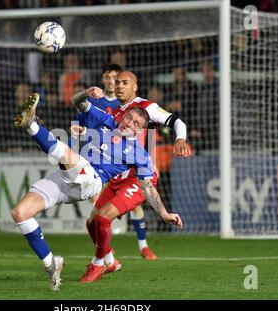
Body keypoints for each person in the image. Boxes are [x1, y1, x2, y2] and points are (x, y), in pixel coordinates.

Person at [11, 89, 183, 291]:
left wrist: (164, 213)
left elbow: (148, 187)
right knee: (20, 213)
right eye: (129, 118)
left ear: (140, 131)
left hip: (90, 180)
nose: (129, 123)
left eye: (136, 124)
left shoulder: (140, 155)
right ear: (124, 116)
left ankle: (31, 125)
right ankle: (51, 264)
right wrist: (87, 92)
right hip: (66, 178)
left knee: (66, 154)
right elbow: (78, 102)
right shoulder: (107, 120)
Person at [77, 64, 160, 260]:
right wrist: (80, 134)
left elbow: (144, 134)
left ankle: (143, 246)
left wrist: (151, 159)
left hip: (122, 160)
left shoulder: (128, 106)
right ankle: (106, 254)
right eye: (108, 77)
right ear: (105, 79)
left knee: (133, 204)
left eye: (117, 78)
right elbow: (82, 123)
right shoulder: (94, 100)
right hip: (95, 159)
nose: (112, 82)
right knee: (95, 212)